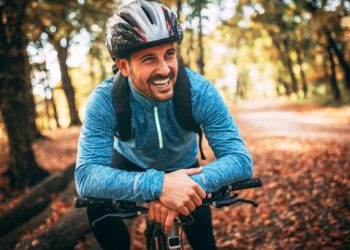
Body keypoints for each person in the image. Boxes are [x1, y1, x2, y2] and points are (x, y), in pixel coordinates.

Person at [75, 1, 253, 249]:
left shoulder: (199, 91)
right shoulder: (104, 100)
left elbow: (241, 160)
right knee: (97, 211)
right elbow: (86, 176)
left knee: (204, 242)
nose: (164, 69)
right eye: (149, 59)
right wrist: (158, 186)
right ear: (124, 66)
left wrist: (180, 188)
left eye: (169, 54)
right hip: (130, 164)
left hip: (185, 169)